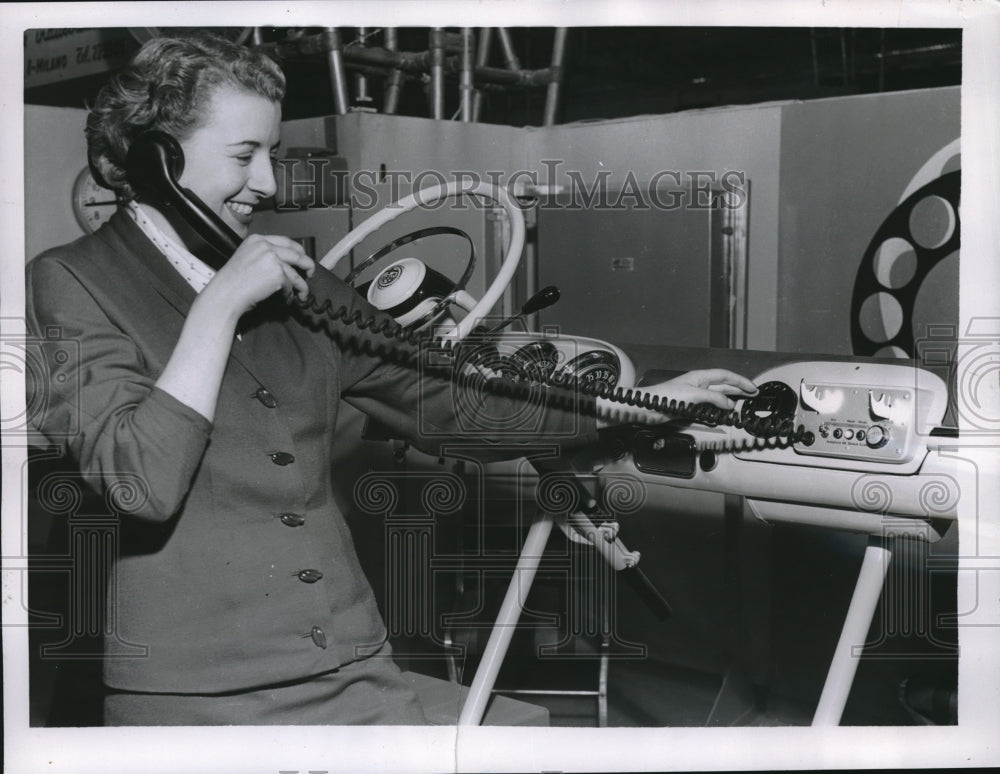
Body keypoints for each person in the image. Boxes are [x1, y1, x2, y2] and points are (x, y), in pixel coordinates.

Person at [25, 33, 757, 726]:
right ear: (157, 158)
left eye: (272, 153)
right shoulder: (71, 280)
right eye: (244, 154)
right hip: (192, 690)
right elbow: (139, 482)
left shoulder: (299, 285)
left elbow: (444, 398)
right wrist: (219, 303)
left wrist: (636, 410)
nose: (269, 183)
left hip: (349, 665)